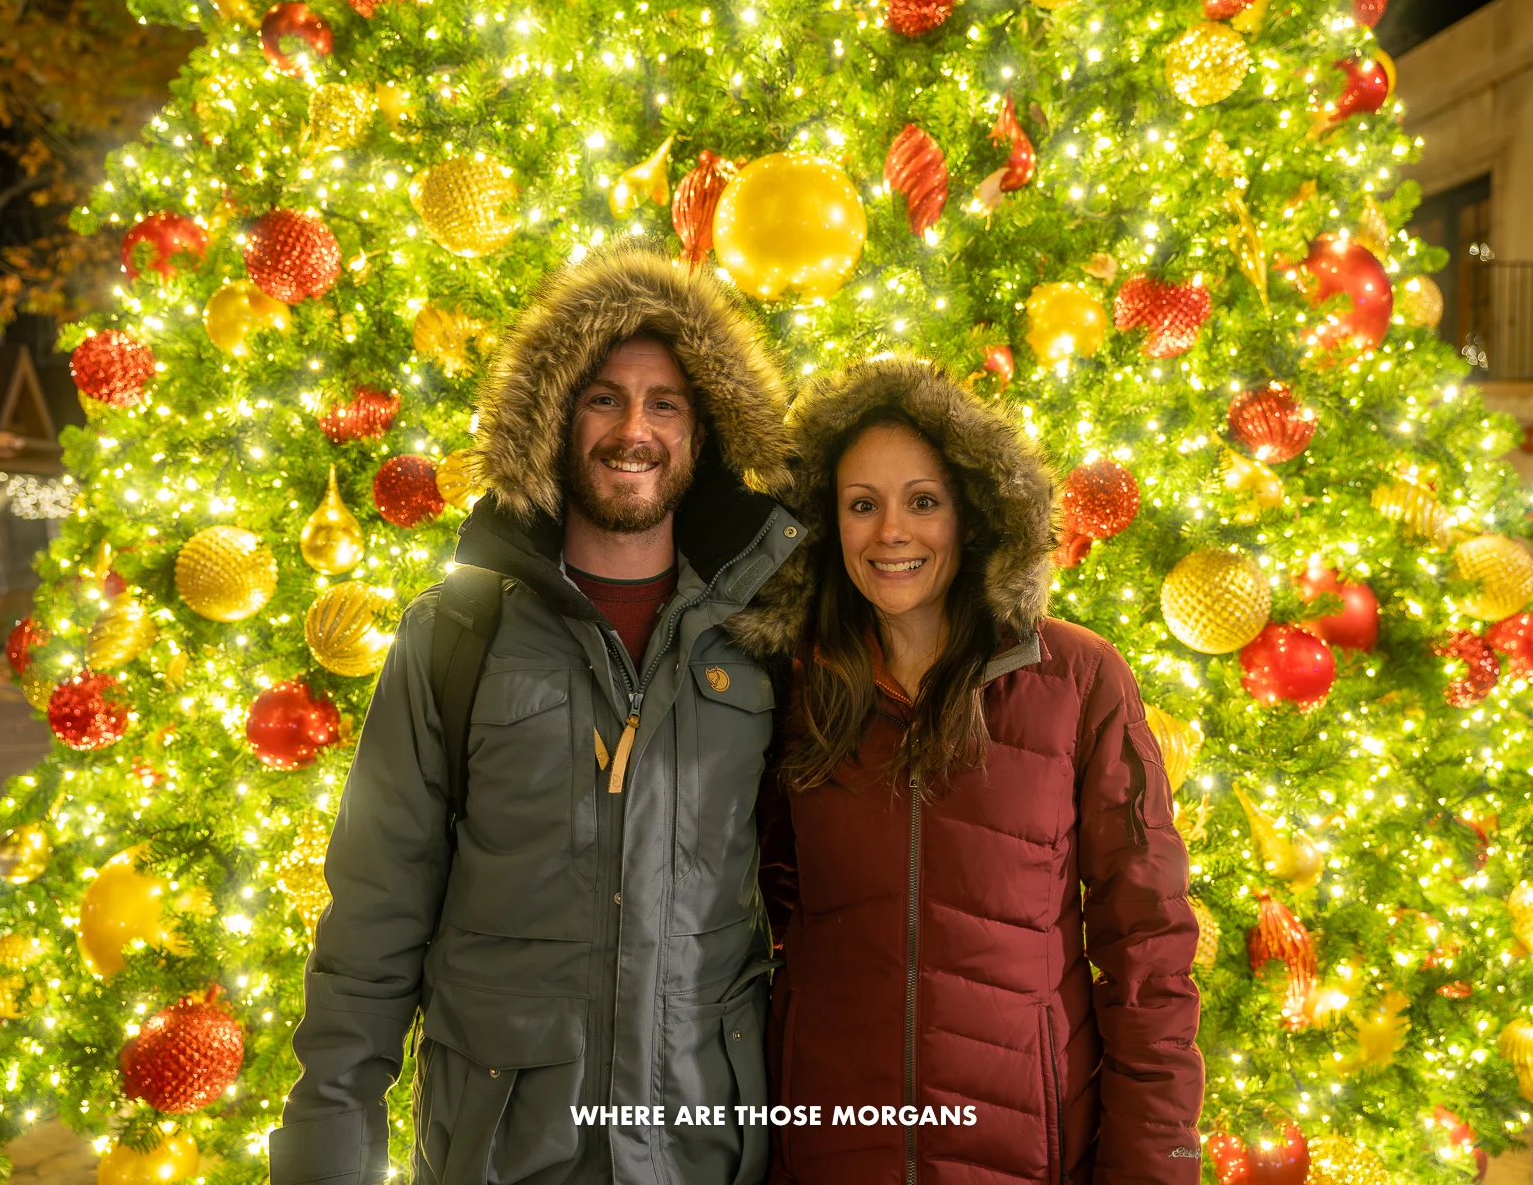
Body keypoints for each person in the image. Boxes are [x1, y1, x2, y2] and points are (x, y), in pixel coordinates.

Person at [271, 242, 805, 1185]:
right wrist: (329, 1145)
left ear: (704, 432)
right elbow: (375, 904)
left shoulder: (764, 637)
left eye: (665, 403)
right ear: (556, 419)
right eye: (604, 396)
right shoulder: (457, 632)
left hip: (700, 1146)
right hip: (502, 1145)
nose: (632, 429)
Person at [732, 358, 1204, 1185]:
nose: (892, 533)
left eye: (923, 501)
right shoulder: (794, 686)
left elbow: (1148, 951)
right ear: (826, 522)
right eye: (861, 505)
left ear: (971, 512)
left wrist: (1151, 1168)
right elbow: (757, 916)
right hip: (835, 1148)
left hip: (1027, 1150)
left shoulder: (1078, 678)